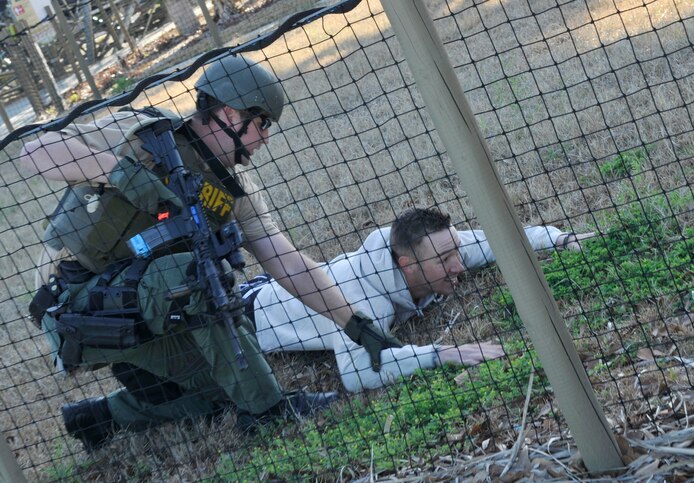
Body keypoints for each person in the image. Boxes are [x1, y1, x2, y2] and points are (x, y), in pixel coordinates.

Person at [19, 53, 399, 450]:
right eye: (262, 123)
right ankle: (266, 413)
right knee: (198, 277)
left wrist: (355, 325)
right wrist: (123, 174)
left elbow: (286, 262)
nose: (265, 138)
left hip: (141, 307)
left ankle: (100, 417)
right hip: (77, 308)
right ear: (231, 114)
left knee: (229, 378)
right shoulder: (145, 134)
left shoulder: (233, 191)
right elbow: (36, 150)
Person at [104, 208, 592, 398]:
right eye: (444, 262)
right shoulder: (364, 303)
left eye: (453, 254)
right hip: (237, 324)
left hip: (253, 296)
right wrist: (446, 354)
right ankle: (104, 409)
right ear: (405, 266)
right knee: (175, 393)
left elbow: (488, 240)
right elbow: (359, 374)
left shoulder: (414, 248)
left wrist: (557, 237)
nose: (457, 268)